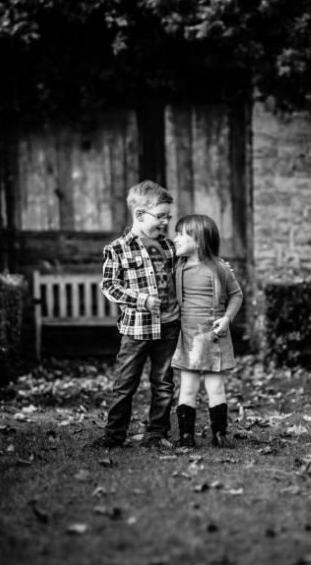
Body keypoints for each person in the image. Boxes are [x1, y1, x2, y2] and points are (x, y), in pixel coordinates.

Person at [97, 180, 180, 450]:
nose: (166, 222)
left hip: (169, 326)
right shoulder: (118, 249)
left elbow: (184, 275)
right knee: (125, 383)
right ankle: (114, 435)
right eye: (161, 216)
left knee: (163, 382)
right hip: (136, 329)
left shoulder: (169, 247)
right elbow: (109, 286)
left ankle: (157, 434)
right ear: (139, 215)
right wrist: (141, 299)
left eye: (168, 216)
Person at [171, 214, 243, 448]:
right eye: (176, 232)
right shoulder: (177, 267)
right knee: (188, 387)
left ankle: (220, 434)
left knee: (216, 387)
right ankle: (185, 436)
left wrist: (226, 318)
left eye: (182, 234)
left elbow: (236, 295)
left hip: (214, 336)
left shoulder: (220, 268)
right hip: (189, 337)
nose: (176, 238)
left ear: (200, 240)